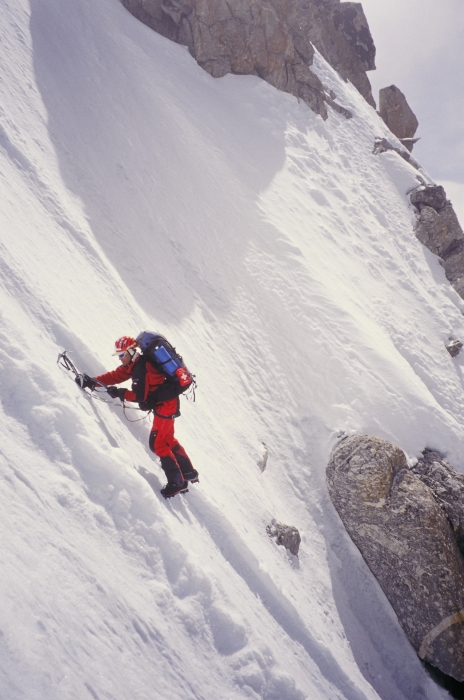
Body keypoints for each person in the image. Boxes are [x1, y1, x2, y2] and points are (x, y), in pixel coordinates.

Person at [77, 335, 198, 499]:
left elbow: (140, 397)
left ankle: (177, 483)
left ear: (132, 351)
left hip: (165, 406)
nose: (120, 359)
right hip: (165, 404)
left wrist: (120, 393)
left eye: (122, 355)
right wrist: (92, 381)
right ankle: (189, 472)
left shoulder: (141, 369)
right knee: (167, 439)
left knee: (158, 444)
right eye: (118, 355)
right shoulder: (134, 365)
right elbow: (115, 376)